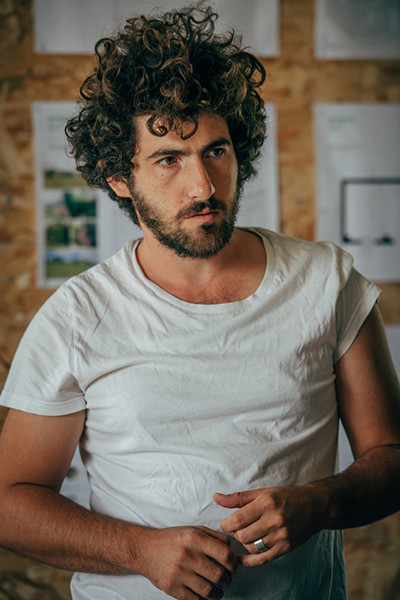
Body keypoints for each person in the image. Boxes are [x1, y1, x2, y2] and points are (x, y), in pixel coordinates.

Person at [0, 4, 399, 600]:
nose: (204, 186)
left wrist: (321, 503)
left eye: (216, 151)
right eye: (168, 159)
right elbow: (9, 501)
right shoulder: (78, 315)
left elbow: (391, 457)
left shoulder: (327, 281)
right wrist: (140, 550)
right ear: (118, 177)